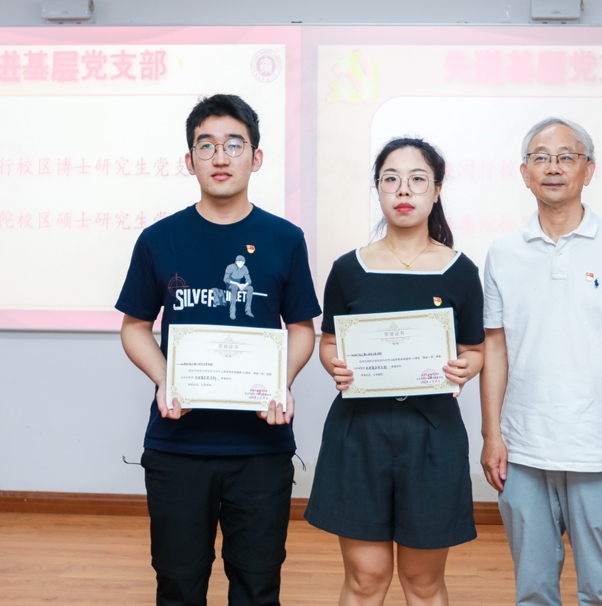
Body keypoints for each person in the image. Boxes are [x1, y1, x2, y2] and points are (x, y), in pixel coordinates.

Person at [116, 94, 321, 606]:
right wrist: (166, 378)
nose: (220, 157)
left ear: (256, 157)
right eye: (206, 146)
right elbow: (135, 327)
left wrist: (280, 382)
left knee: (257, 586)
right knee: (179, 585)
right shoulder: (159, 239)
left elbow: (301, 328)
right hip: (178, 445)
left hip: (260, 447)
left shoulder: (285, 238)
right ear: (190, 161)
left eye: (234, 144)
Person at [480, 118, 602, 606]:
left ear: (589, 169)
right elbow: (495, 347)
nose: (554, 167)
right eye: (541, 157)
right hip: (523, 449)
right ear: (524, 173)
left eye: (567, 156)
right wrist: (492, 434)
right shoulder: (502, 252)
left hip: (601, 449)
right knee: (533, 591)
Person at [305, 137, 485, 605]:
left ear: (437, 190)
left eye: (417, 179)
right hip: (358, 433)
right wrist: (334, 364)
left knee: (423, 582)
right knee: (365, 579)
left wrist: (465, 366)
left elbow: (475, 350)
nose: (403, 190)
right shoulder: (349, 269)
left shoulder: (460, 271)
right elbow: (329, 342)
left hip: (432, 435)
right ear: (378, 189)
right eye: (391, 179)